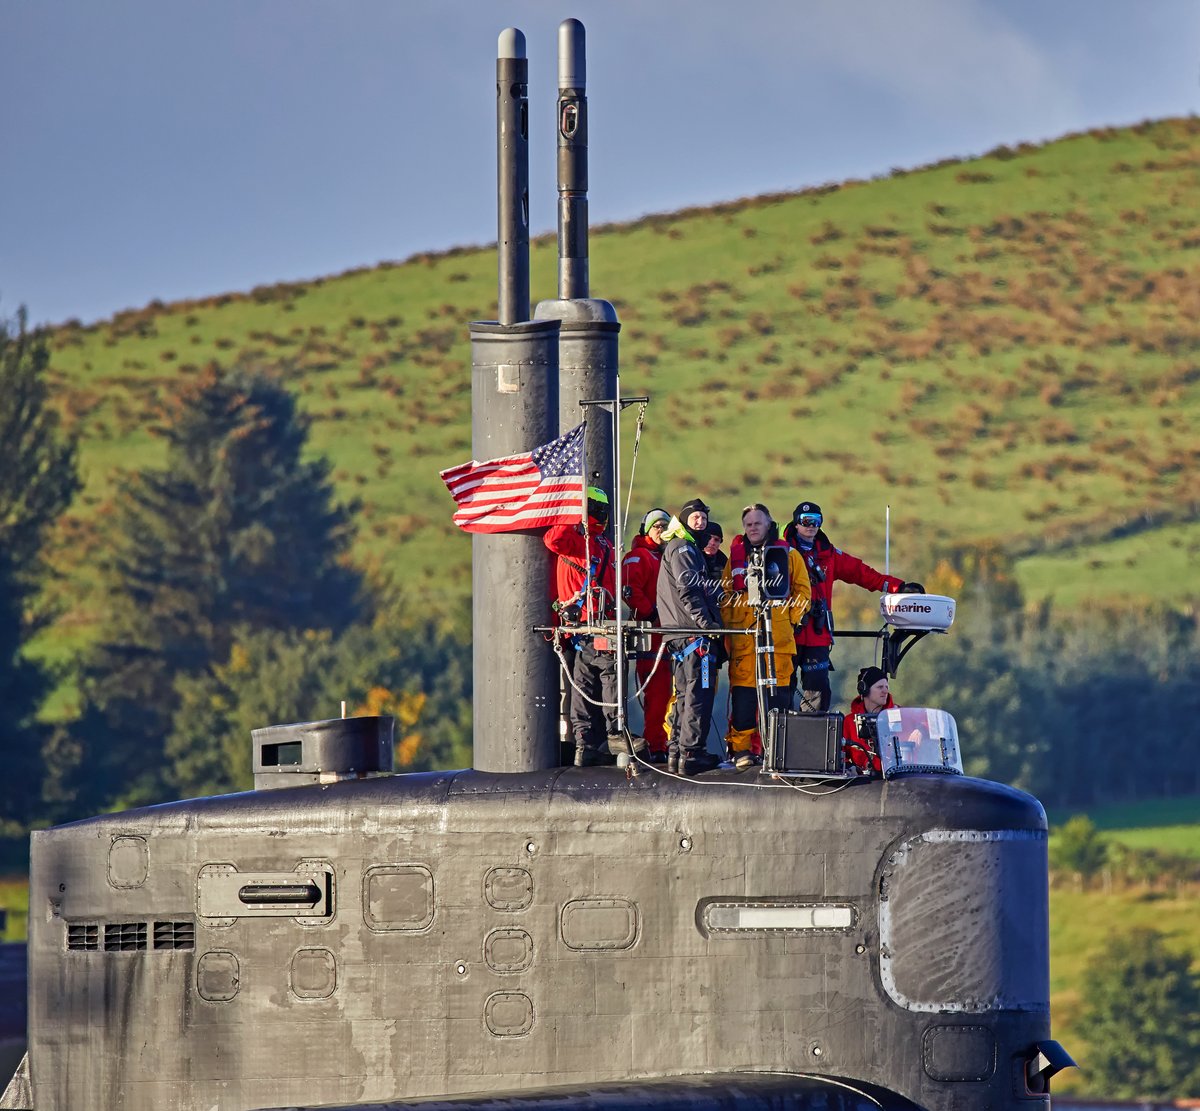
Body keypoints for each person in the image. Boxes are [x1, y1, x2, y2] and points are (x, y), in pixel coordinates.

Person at [783, 499, 922, 713]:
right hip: (786, 633)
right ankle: (775, 738)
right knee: (780, 689)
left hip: (817, 634)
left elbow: (860, 572)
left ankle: (808, 739)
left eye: (816, 520)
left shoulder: (828, 554)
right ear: (796, 523)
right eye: (806, 520)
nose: (811, 525)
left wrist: (898, 587)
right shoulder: (779, 552)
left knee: (818, 690)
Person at [720, 504, 811, 769]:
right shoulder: (735, 558)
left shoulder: (790, 556)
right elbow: (724, 597)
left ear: (769, 524)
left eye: (757, 523)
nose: (752, 528)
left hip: (778, 640)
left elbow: (803, 593)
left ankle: (778, 749)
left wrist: (787, 618)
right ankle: (741, 750)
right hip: (745, 641)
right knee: (744, 701)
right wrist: (733, 625)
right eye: (748, 524)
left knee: (778, 698)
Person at [544, 487, 622, 768]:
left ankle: (593, 743)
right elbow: (553, 539)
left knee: (589, 685)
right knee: (596, 682)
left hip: (599, 625)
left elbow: (612, 587)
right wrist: (570, 512)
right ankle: (603, 737)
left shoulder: (603, 545)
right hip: (582, 630)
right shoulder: (577, 542)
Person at [656, 497, 723, 775]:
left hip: (679, 634)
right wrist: (706, 624)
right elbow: (689, 590)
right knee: (699, 693)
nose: (701, 522)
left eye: (704, 519)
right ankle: (692, 752)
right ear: (684, 520)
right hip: (692, 633)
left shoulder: (682, 546)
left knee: (684, 694)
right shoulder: (684, 547)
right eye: (696, 518)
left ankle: (676, 751)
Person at [622, 508, 672, 763]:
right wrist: (652, 616)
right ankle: (655, 744)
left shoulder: (665, 557)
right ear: (646, 529)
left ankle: (666, 741)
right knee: (657, 694)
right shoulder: (639, 557)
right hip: (652, 635)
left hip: (668, 634)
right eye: (657, 526)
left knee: (670, 695)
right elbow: (631, 592)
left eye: (665, 526)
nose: (661, 530)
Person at [842, 665, 893, 774]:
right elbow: (838, 755)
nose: (885, 691)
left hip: (894, 778)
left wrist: (919, 731)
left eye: (886, 687)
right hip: (865, 785)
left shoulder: (899, 715)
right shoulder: (849, 722)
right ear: (864, 690)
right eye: (880, 687)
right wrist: (850, 767)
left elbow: (924, 724)